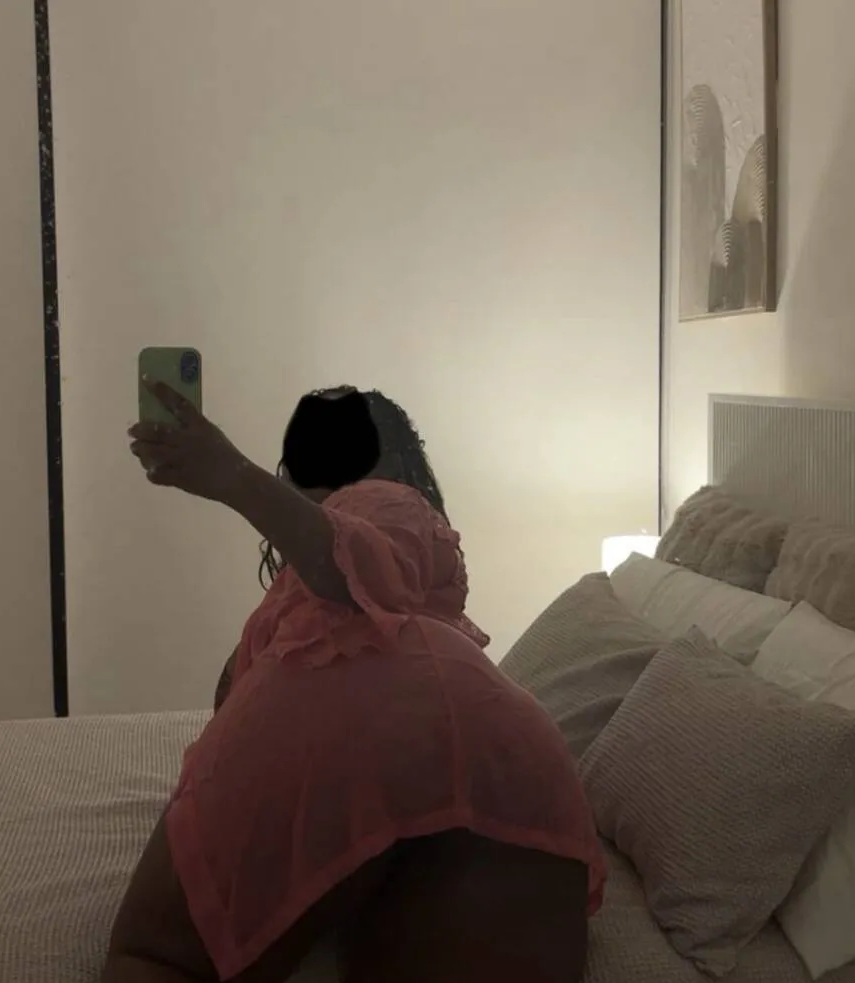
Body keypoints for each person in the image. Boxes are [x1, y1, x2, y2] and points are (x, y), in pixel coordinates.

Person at [105, 382, 605, 983]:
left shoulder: (386, 501)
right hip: (505, 764)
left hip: (383, 728)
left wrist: (230, 474)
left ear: (385, 457)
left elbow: (360, 568)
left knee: (154, 960)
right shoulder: (375, 563)